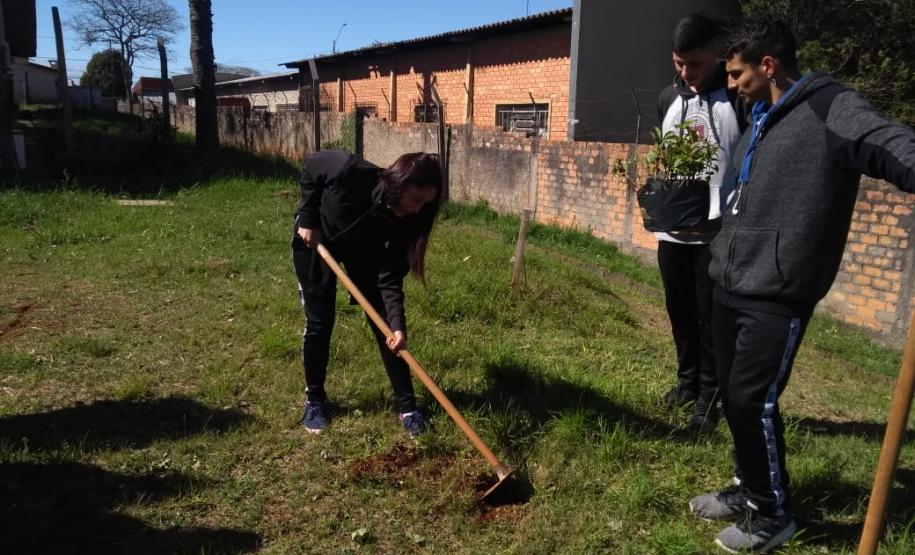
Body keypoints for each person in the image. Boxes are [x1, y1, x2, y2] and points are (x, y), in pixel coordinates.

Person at [688, 17, 915, 553]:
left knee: (752, 400)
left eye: (740, 74)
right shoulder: (758, 113)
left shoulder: (830, 106)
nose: (733, 84)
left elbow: (886, 140)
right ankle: (749, 489)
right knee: (732, 394)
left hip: (778, 288)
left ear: (769, 65)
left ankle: (773, 516)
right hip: (731, 277)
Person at [291, 150, 444, 438]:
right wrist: (308, 218)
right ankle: (315, 400)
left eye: (425, 204)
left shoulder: (407, 221)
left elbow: (389, 276)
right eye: (417, 199)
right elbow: (312, 166)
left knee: (384, 324)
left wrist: (396, 326)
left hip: (362, 248)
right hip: (316, 238)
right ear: (401, 182)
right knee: (320, 321)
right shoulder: (352, 172)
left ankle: (408, 407)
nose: (417, 210)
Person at [656, 14, 745, 432]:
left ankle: (709, 400)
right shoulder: (667, 100)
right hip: (673, 231)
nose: (687, 73)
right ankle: (687, 384)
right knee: (680, 313)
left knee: (711, 321)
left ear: (716, 53)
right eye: (679, 63)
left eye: (694, 63)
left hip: (716, 233)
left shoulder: (738, 101)